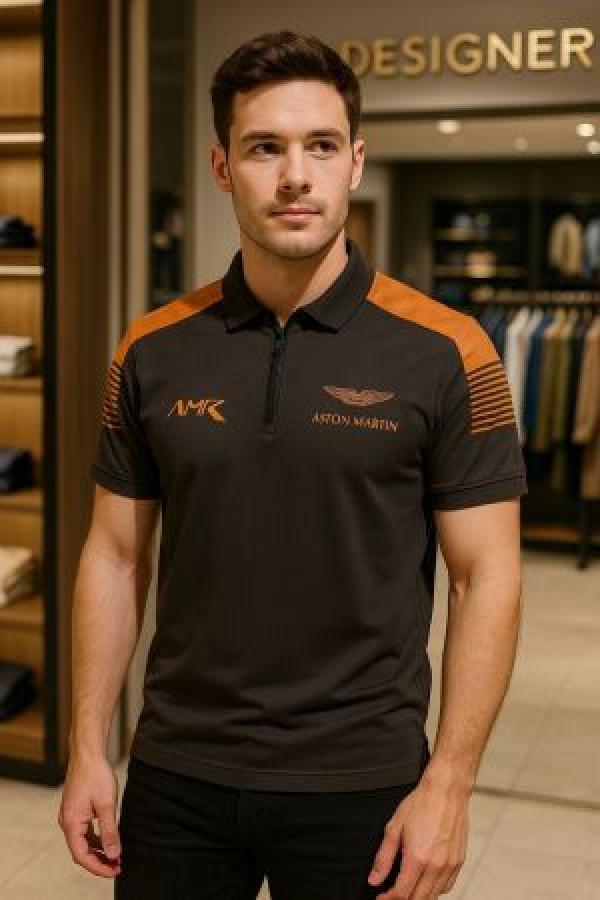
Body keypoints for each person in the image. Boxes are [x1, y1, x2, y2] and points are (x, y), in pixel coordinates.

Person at [58, 29, 527, 900]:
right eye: (264, 147)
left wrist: (452, 783)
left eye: (320, 146)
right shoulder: (152, 348)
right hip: (177, 772)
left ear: (355, 161)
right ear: (221, 166)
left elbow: (485, 577)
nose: (294, 175)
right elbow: (115, 556)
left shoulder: (450, 350)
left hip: (364, 783)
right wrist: (88, 746)